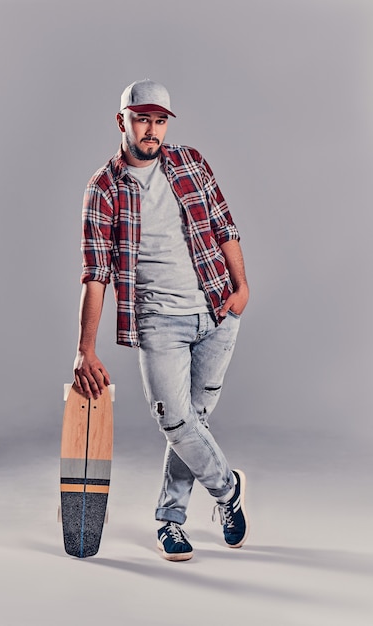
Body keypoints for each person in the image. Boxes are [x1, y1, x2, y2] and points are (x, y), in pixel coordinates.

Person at [73, 79, 249, 561]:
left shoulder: (191, 161)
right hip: (157, 322)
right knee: (176, 420)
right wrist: (85, 349)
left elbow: (223, 224)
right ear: (122, 120)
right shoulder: (103, 188)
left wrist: (241, 288)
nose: (151, 130)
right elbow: (96, 274)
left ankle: (170, 521)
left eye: (159, 120)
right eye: (142, 119)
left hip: (215, 309)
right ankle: (227, 488)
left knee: (197, 419)